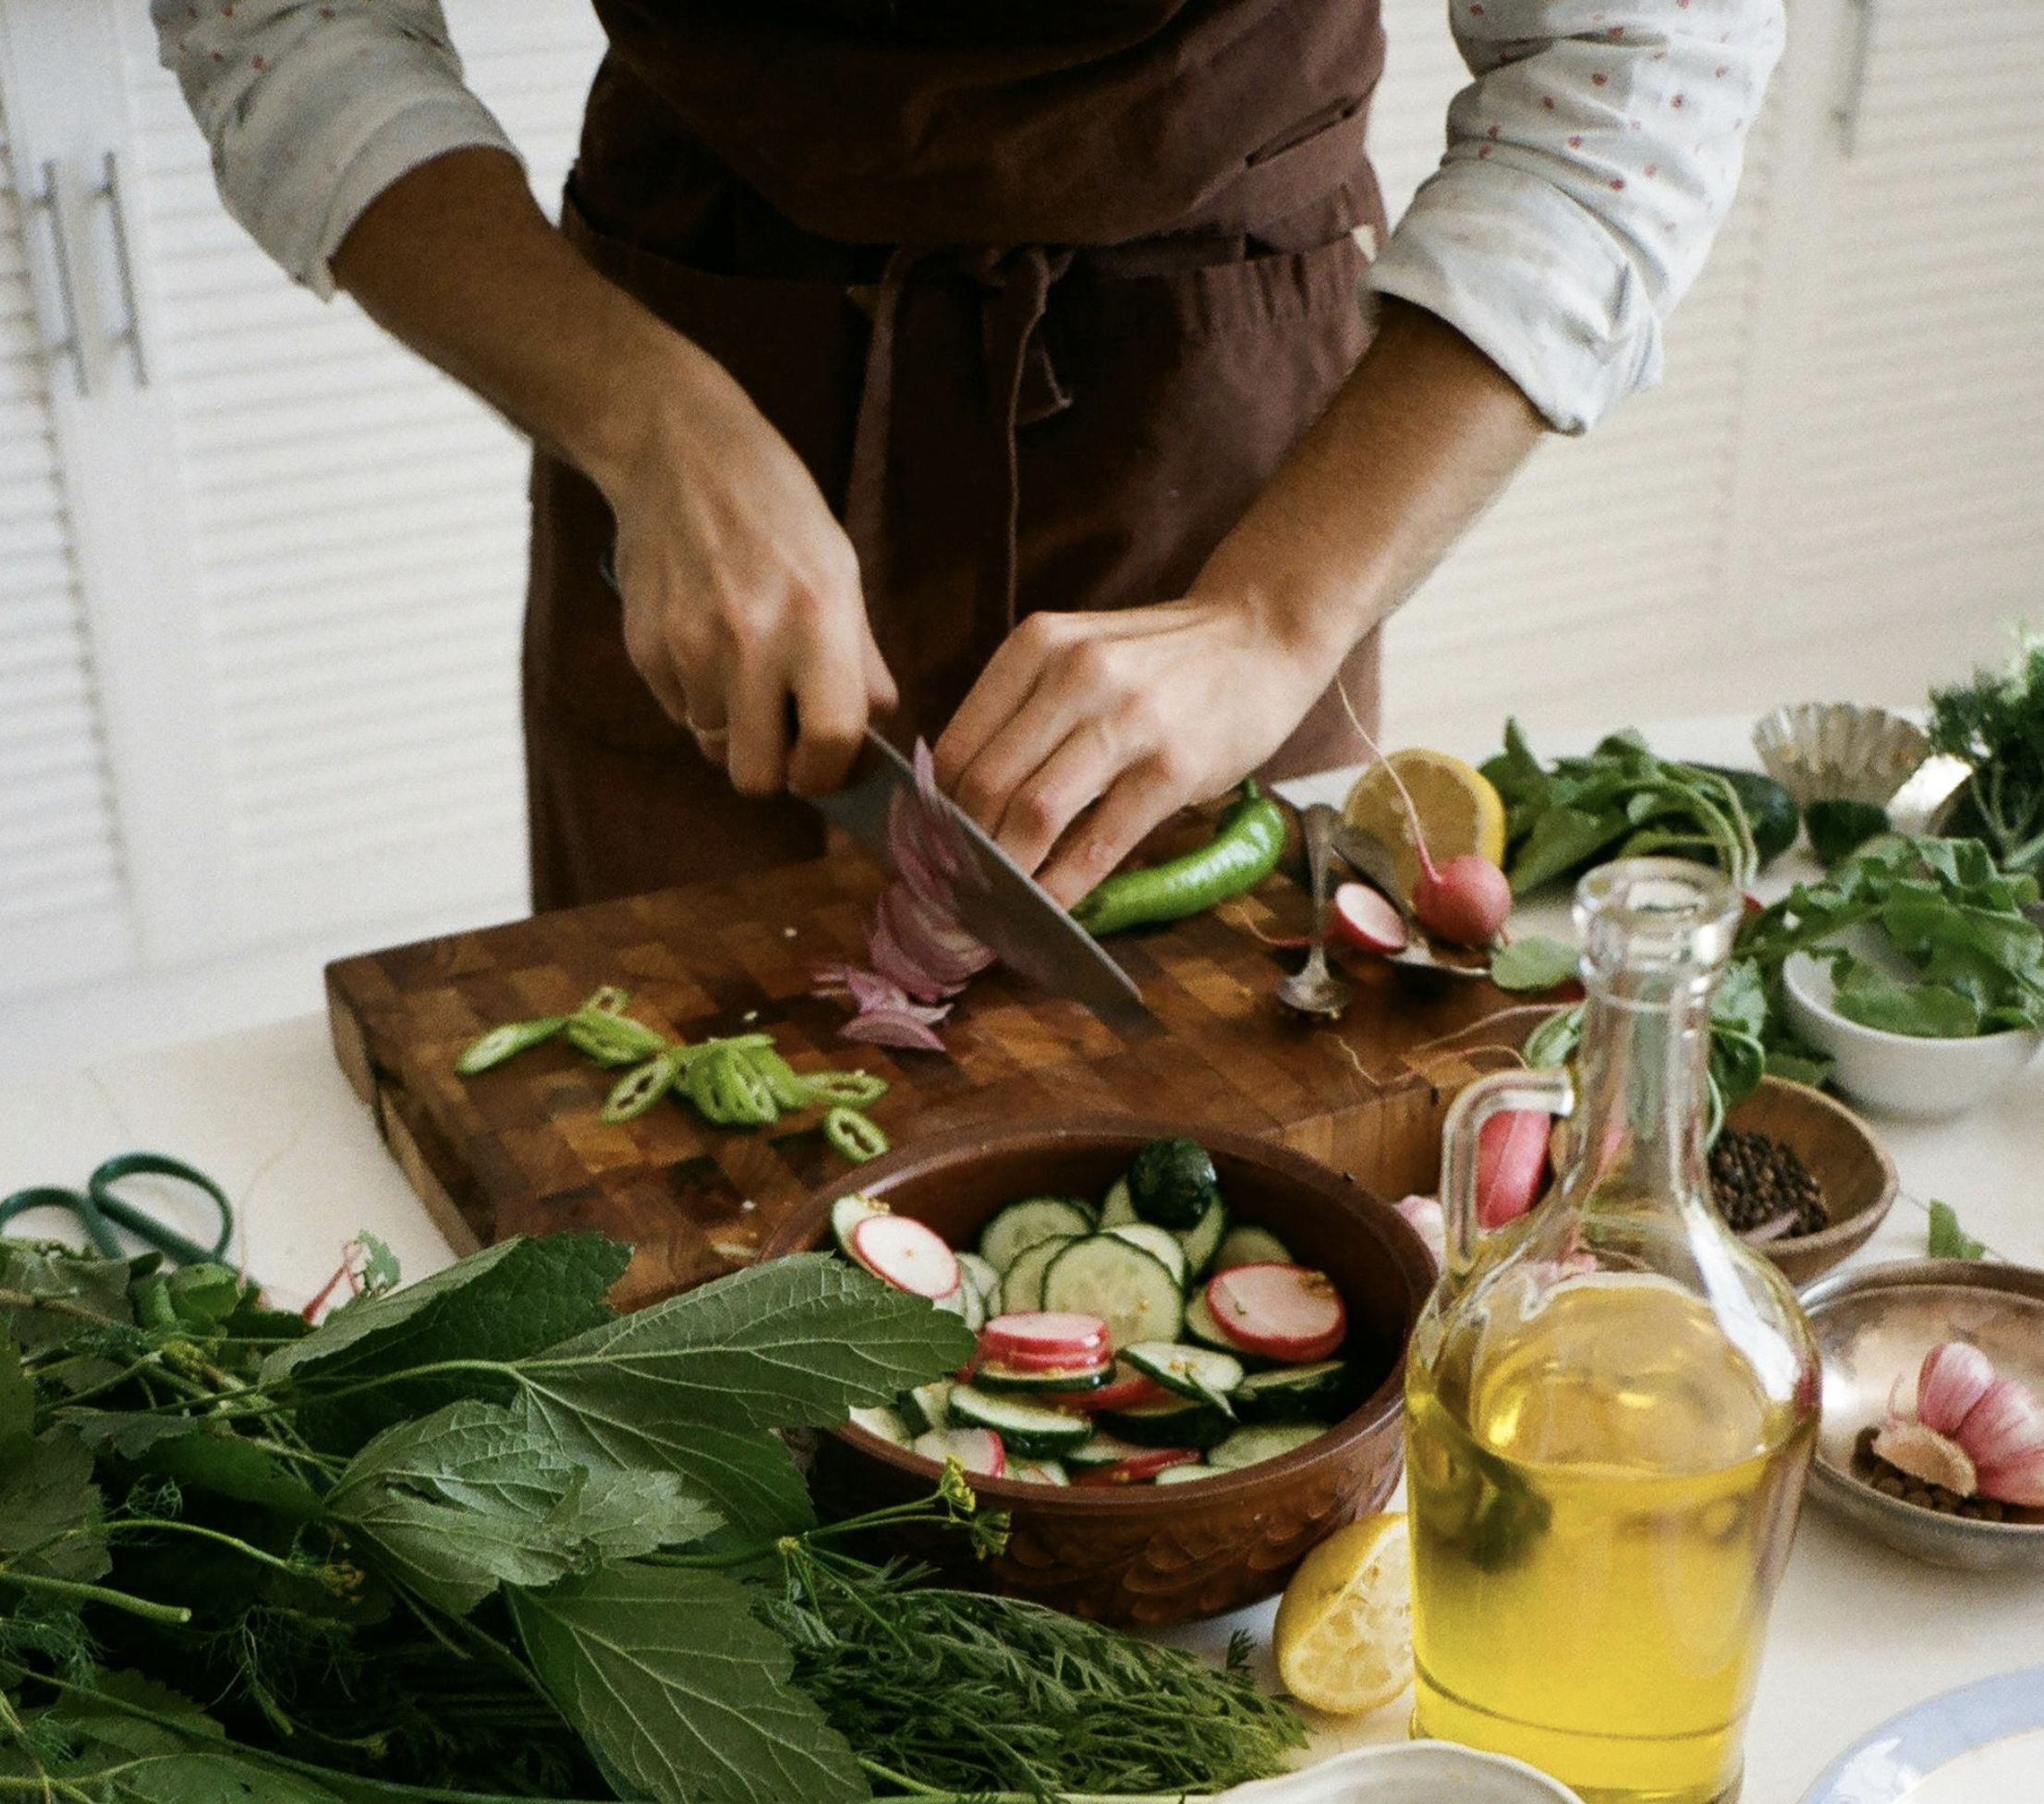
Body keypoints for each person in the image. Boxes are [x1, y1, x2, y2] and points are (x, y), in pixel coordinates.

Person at [156, 0, 1782, 914]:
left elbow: (1644, 57)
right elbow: (281, 22)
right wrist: (648, 427)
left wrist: (1277, 619)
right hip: (694, 344)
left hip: (1211, 401)